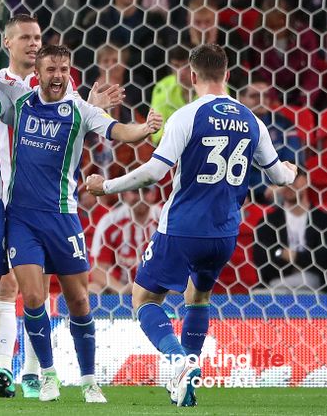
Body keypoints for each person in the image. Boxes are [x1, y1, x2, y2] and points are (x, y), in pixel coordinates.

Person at [85, 43, 298, 407]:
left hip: (183, 228)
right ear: (227, 75)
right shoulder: (252, 120)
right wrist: (291, 172)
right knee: (197, 297)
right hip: (225, 233)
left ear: (193, 76)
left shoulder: (187, 115)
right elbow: (279, 176)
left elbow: (154, 172)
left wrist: (106, 186)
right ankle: (186, 386)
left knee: (144, 298)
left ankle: (179, 360)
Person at [0, 44, 159, 403]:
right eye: (51, 69)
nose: (58, 76)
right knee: (33, 297)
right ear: (37, 73)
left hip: (63, 218)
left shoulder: (81, 110)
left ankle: (89, 380)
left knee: (79, 301)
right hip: (21, 219)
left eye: (64, 69)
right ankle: (47, 376)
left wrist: (145, 129)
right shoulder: (20, 101)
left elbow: (118, 130)